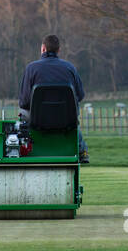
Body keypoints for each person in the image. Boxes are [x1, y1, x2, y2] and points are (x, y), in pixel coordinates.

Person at [18, 34, 88, 163]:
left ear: (43, 49)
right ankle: (81, 149)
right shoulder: (70, 68)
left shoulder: (31, 68)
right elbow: (80, 95)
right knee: (75, 111)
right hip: (66, 120)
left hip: (37, 120)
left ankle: (22, 146)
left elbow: (24, 101)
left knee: (22, 111)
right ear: (58, 50)